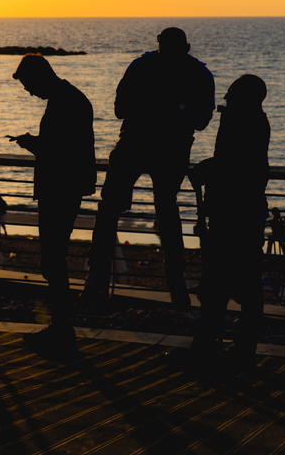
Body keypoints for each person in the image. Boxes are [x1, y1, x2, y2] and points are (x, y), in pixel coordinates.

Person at [82, 27, 214, 308]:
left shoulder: (141, 66)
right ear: (187, 46)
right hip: (172, 150)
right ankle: (177, 289)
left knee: (109, 211)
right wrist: (176, 112)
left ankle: (96, 282)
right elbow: (202, 120)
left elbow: (119, 109)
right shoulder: (199, 74)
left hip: (133, 144)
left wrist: (146, 109)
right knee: (167, 211)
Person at [9, 54, 95, 353]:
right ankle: (61, 326)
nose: (29, 92)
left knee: (53, 259)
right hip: (66, 188)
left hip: (59, 189)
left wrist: (31, 142)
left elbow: (58, 150)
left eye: (29, 85)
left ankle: (62, 327)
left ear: (39, 77)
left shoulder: (64, 102)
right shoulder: (71, 98)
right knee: (54, 257)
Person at [192, 75, 270, 370]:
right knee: (230, 283)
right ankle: (229, 346)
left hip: (236, 214)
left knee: (226, 282)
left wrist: (208, 169)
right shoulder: (251, 120)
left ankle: (220, 346)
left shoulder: (244, 120)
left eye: (233, 93)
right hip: (238, 212)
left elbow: (236, 164)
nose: (227, 96)